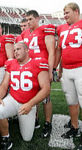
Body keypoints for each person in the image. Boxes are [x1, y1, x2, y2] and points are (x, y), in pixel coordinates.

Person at [0, 42, 50, 149]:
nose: (15, 52)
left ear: (27, 50)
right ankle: (6, 137)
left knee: (27, 138)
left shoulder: (38, 63)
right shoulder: (10, 64)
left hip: (28, 103)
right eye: (14, 50)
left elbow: (46, 89)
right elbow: (4, 84)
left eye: (18, 49)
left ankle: (19, 117)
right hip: (13, 99)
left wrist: (30, 104)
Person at [20, 10, 55, 137]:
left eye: (30, 19)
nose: (28, 22)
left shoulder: (45, 30)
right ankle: (35, 119)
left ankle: (47, 123)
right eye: (27, 19)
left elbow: (51, 52)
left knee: (45, 97)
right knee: (31, 94)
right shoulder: (25, 34)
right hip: (30, 67)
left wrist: (50, 70)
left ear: (37, 19)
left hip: (43, 68)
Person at [55, 2, 82, 149]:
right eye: (64, 13)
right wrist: (59, 69)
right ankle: (74, 127)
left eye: (67, 13)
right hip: (67, 69)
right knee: (71, 100)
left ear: (76, 11)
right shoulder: (61, 28)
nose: (65, 16)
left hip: (81, 68)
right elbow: (59, 49)